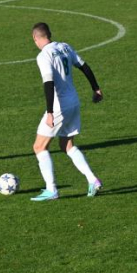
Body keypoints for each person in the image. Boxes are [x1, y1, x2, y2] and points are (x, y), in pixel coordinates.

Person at [29, 22, 104, 202]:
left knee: (39, 147)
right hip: (74, 102)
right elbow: (84, 66)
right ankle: (92, 179)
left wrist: (49, 112)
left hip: (58, 106)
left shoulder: (43, 55)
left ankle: (51, 189)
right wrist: (96, 89)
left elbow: (48, 83)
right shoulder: (64, 47)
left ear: (36, 38)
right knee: (66, 146)